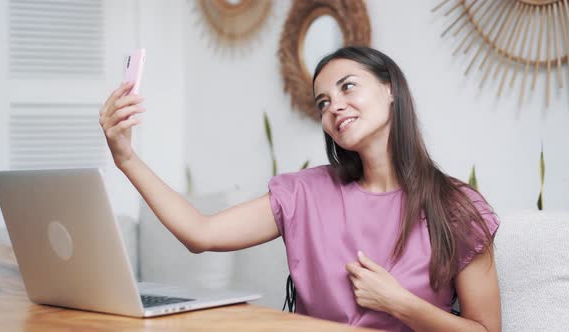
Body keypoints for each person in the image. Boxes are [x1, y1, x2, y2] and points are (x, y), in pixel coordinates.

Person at [99, 46, 501, 331]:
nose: (334, 107)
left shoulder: (458, 207)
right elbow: (200, 234)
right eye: (322, 103)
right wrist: (126, 159)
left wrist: (399, 303)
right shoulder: (305, 193)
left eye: (348, 87)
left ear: (390, 89)